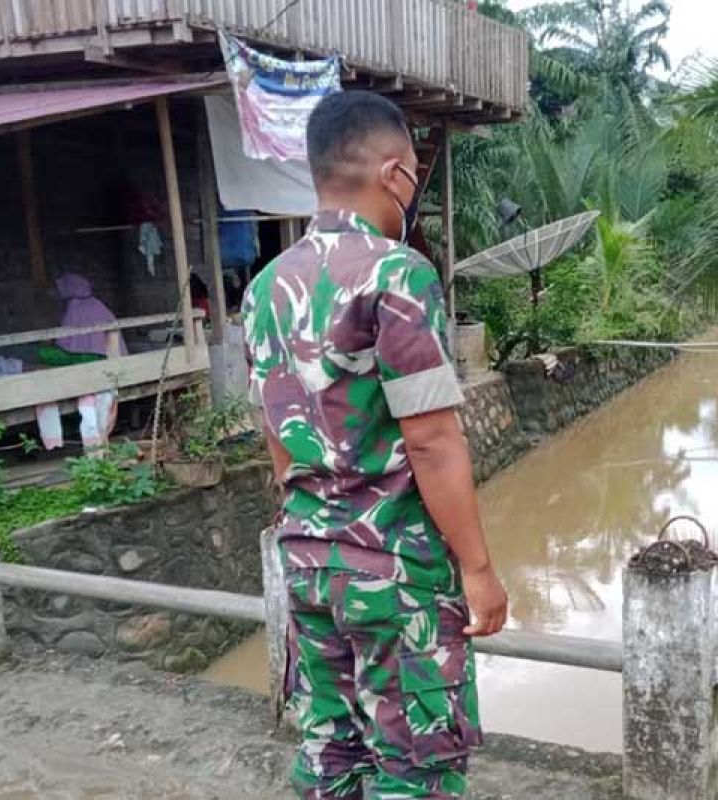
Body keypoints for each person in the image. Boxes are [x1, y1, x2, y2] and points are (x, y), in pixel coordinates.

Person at [241, 91, 508, 800]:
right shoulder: (398, 274)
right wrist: (478, 569)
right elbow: (432, 440)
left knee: (332, 751)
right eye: (415, 173)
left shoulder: (265, 287)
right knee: (413, 763)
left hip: (306, 561)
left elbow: (277, 436)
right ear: (394, 174)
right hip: (395, 572)